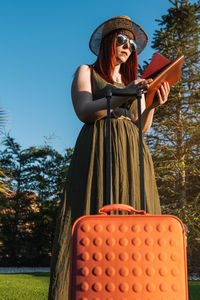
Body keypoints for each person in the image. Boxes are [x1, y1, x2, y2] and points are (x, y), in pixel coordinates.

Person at [48, 16, 170, 300]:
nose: (128, 46)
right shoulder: (86, 71)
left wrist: (152, 103)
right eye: (122, 40)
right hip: (98, 150)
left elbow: (142, 124)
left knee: (135, 220)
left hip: (133, 154)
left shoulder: (132, 81)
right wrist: (124, 93)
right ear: (107, 43)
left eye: (131, 43)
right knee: (91, 211)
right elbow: (84, 110)